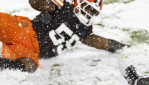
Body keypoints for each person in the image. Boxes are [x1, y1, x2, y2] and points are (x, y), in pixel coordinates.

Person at [0, 0, 128, 73]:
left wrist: (123, 47)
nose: (88, 13)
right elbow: (36, 3)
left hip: (32, 51)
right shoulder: (64, 8)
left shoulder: (84, 29)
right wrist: (43, 3)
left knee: (30, 66)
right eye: (88, 8)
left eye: (92, 11)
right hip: (24, 31)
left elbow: (101, 42)